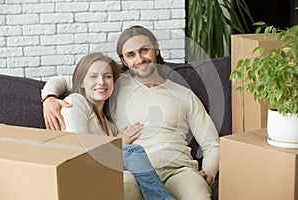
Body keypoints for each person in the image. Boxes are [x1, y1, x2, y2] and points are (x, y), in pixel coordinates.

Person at [41, 25, 220, 200]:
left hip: (178, 170)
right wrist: (48, 98)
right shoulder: (114, 83)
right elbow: (72, 80)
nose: (140, 59)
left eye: (144, 50)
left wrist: (209, 171)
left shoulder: (184, 94)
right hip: (132, 172)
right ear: (124, 60)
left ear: (156, 48)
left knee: (199, 195)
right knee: (124, 192)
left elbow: (212, 143)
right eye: (131, 55)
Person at [57, 51, 175, 200]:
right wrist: (119, 142)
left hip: (99, 176)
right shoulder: (75, 102)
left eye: (107, 76)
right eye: (93, 76)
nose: (101, 82)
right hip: (76, 173)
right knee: (133, 151)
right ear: (82, 82)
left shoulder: (109, 125)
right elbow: (79, 149)